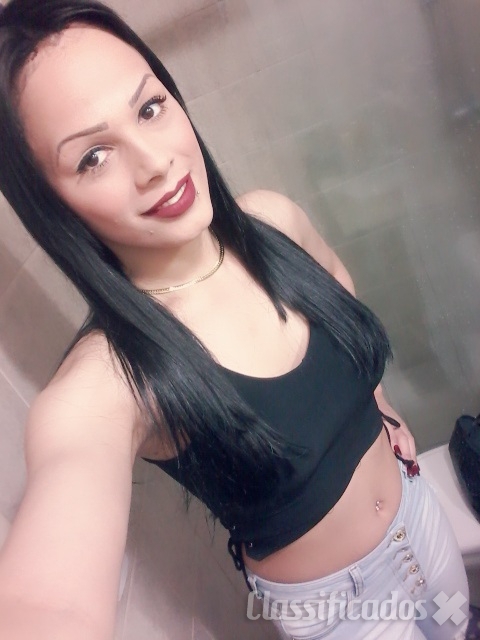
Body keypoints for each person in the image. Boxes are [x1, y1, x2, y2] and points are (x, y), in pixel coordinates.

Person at [0, 1, 469, 638]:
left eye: (150, 107)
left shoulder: (273, 220)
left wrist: (379, 403)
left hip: (421, 519)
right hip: (342, 612)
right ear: (50, 204)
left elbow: (342, 298)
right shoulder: (110, 380)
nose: (155, 162)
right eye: (93, 157)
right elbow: (49, 603)